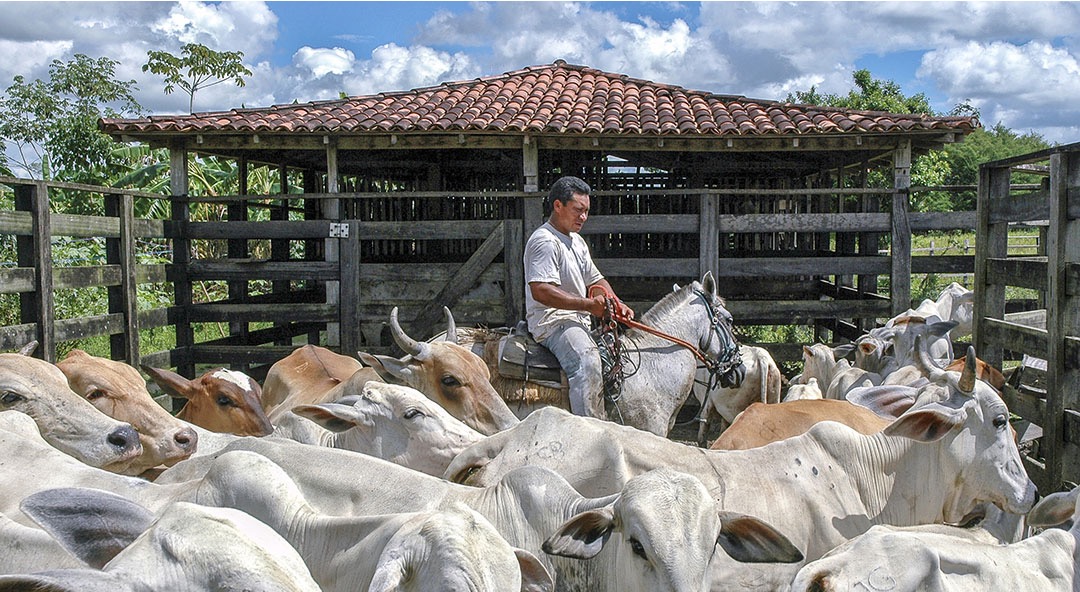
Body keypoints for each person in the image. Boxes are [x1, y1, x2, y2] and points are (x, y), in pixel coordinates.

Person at [524, 176, 634, 418]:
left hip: (575, 320)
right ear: (558, 205)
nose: (583, 217)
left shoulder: (577, 241)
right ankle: (589, 432)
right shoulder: (545, 241)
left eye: (586, 211)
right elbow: (540, 290)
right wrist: (590, 306)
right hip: (552, 323)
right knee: (587, 362)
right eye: (578, 210)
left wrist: (616, 303)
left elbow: (595, 280)